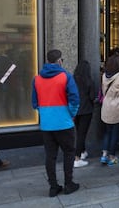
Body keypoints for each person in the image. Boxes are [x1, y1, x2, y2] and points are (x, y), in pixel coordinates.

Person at [32, 50, 80, 197]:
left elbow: (35, 103)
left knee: (50, 156)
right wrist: (71, 114)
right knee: (69, 152)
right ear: (60, 61)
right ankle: (68, 183)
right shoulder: (66, 76)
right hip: (64, 122)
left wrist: (45, 114)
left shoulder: (37, 79)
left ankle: (53, 187)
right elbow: (75, 99)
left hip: (47, 124)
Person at [100, 53, 119, 166]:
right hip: (118, 107)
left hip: (106, 106)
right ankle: (112, 156)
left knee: (107, 132)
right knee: (115, 132)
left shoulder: (104, 76)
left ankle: (104, 155)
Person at [73, 60, 95, 167]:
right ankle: (77, 157)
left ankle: (82, 152)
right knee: (82, 134)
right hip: (86, 110)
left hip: (75, 109)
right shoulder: (89, 81)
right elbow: (92, 97)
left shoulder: (72, 80)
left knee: (79, 132)